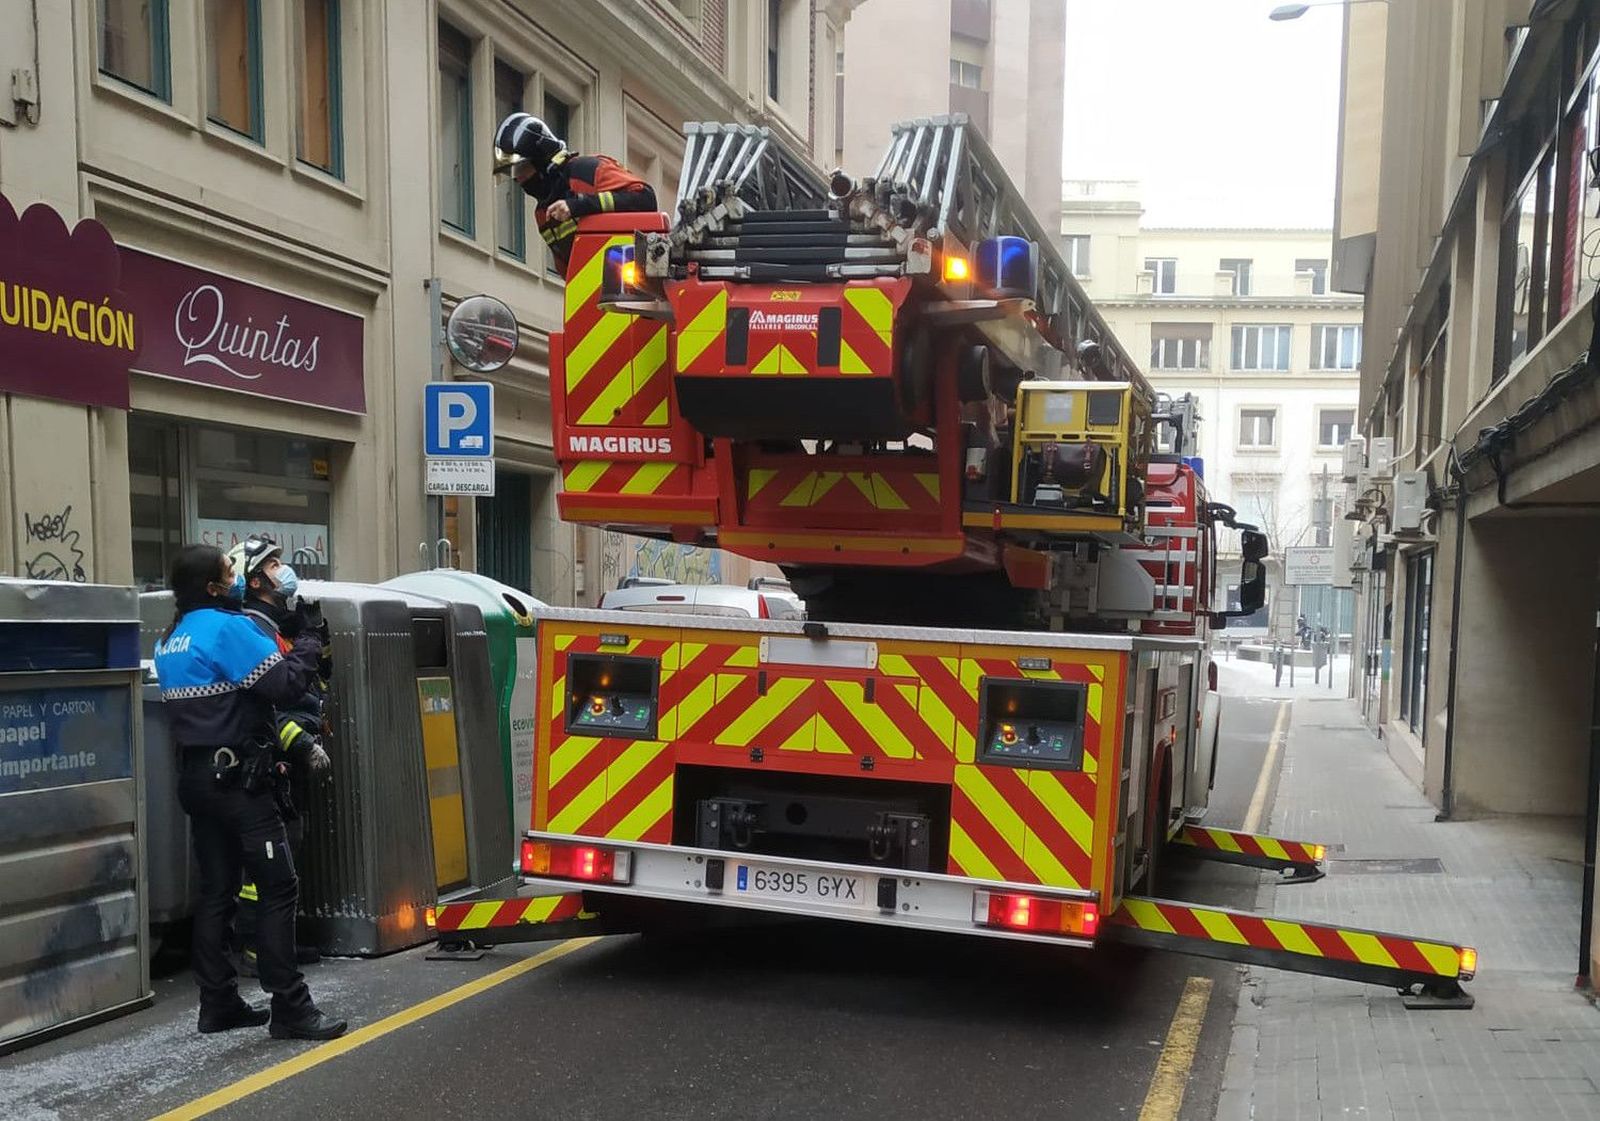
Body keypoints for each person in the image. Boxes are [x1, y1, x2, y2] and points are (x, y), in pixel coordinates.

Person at [153, 544, 347, 1041]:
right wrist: (306, 639)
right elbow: (284, 686)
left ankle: (217, 1002)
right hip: (240, 782)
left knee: (216, 891)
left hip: (196, 781)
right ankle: (291, 1009)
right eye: (227, 573)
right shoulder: (228, 628)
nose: (235, 579)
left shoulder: (171, 637)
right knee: (279, 887)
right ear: (214, 587)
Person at [227, 535, 331, 977]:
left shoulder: (274, 627)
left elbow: (312, 684)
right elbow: (274, 704)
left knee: (289, 853)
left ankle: (279, 945)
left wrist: (314, 638)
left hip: (285, 759)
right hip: (274, 760)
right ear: (254, 580)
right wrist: (300, 744)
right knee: (265, 869)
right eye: (272, 565)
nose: (281, 570)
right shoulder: (251, 631)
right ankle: (258, 950)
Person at [493, 111, 657, 274]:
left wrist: (579, 205)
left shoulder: (587, 171)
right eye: (511, 173)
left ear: (541, 160)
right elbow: (569, 270)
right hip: (591, 296)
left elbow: (645, 198)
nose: (518, 179)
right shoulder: (544, 214)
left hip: (636, 287)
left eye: (520, 169)